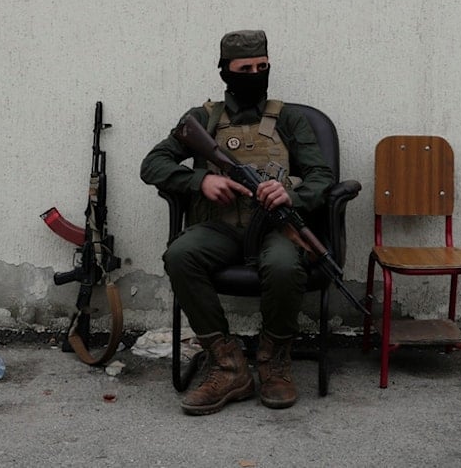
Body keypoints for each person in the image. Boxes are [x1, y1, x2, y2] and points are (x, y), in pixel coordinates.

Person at [140, 29, 334, 415]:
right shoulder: (202, 119)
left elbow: (322, 177)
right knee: (180, 255)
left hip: (276, 228)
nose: (255, 74)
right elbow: (153, 165)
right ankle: (227, 366)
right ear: (225, 71)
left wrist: (289, 196)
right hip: (221, 227)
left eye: (262, 67)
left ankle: (273, 360)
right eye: (245, 68)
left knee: (282, 265)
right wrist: (202, 180)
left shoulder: (290, 119)